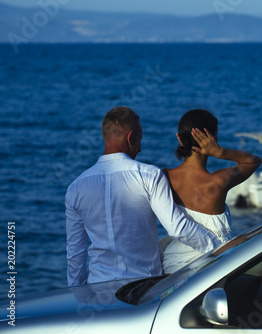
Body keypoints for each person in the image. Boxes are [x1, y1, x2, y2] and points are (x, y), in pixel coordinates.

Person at [65, 106, 222, 287]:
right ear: (131, 138)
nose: (140, 148)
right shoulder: (149, 175)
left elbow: (75, 252)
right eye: (139, 140)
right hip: (142, 288)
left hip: (98, 287)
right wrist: (219, 248)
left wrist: (76, 293)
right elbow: (177, 228)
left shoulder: (75, 188)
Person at [161, 109, 261, 273]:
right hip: (214, 265)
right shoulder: (218, 181)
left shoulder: (164, 177)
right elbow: (253, 161)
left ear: (179, 138)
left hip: (173, 265)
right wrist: (221, 152)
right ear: (213, 139)